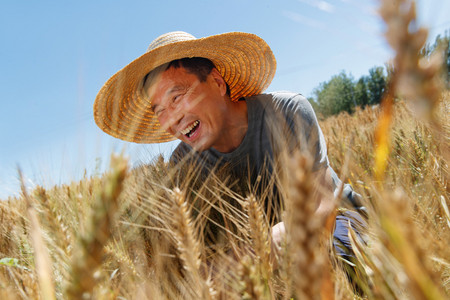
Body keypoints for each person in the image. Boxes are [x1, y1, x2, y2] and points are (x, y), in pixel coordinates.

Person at [93, 31, 367, 271]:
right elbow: (205, 247)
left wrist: (260, 251)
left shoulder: (287, 111)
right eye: (160, 111)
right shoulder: (183, 162)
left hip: (337, 223)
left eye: (176, 97)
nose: (171, 119)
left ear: (217, 83)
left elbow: (322, 205)